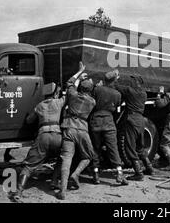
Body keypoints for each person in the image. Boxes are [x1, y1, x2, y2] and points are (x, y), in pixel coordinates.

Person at [9, 82, 64, 202]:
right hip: (57, 136)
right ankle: (54, 182)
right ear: (55, 94)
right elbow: (71, 91)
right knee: (62, 158)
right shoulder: (59, 102)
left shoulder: (39, 106)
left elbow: (29, 121)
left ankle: (18, 192)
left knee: (28, 166)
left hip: (43, 135)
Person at [57, 62, 97, 200]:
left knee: (66, 158)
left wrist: (80, 72)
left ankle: (62, 190)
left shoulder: (72, 95)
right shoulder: (92, 102)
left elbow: (70, 82)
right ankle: (76, 174)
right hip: (82, 130)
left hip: (68, 127)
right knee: (88, 156)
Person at [89, 69, 128, 185]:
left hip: (95, 122)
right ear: (113, 81)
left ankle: (95, 174)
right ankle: (120, 173)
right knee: (113, 148)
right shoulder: (117, 94)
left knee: (95, 148)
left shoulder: (97, 89)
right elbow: (117, 110)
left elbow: (91, 101)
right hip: (109, 122)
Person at [115, 73, 154, 181]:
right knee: (140, 146)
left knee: (130, 147)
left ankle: (138, 172)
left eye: (133, 80)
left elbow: (116, 86)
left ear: (137, 82)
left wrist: (116, 78)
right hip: (140, 120)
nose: (130, 81)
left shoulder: (129, 91)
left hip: (131, 119)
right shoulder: (144, 93)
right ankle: (149, 168)